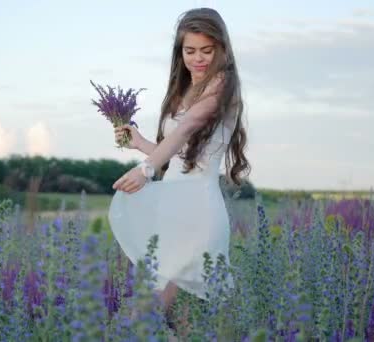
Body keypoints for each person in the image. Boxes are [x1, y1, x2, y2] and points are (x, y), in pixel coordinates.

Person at [107, 7, 250, 330]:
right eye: (190, 51)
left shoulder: (223, 87)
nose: (198, 59)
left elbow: (187, 130)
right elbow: (181, 156)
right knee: (177, 322)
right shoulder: (182, 91)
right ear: (180, 52)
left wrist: (145, 168)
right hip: (170, 209)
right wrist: (141, 142)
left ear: (223, 50)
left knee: (143, 316)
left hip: (198, 212)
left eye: (207, 51)